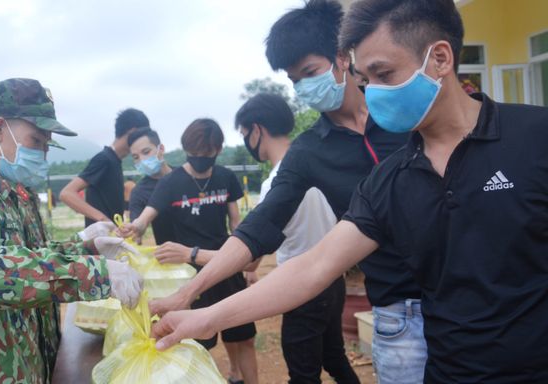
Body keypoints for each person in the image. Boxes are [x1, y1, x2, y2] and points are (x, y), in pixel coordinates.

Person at [153, 1, 548, 383]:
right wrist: (200, 307)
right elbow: (301, 258)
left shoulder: (524, 138)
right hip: (415, 327)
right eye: (368, 79)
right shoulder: (382, 176)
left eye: (383, 74)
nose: (374, 92)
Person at [150, 1, 423, 382]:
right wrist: (188, 293)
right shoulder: (310, 151)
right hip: (398, 311)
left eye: (309, 72)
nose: (303, 87)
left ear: (343, 58)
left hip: (465, 294)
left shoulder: (404, 112)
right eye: (294, 80)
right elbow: (259, 227)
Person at [0, 78, 143, 383]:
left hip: (24, 363)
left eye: (46, 145)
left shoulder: (9, 190)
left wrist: (85, 248)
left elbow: (27, 257)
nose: (43, 154)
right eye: (35, 141)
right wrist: (93, 272)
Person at [124, 119, 259, 384]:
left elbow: (236, 223)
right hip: (190, 277)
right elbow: (145, 218)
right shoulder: (170, 183)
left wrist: (248, 267)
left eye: (206, 154)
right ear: (186, 150)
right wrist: (133, 226)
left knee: (243, 337)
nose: (199, 159)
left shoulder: (226, 177)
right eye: (194, 155)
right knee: (196, 345)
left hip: (225, 266)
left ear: (217, 150)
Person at [238, 93, 359, 383]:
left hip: (302, 288)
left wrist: (192, 254)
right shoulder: (317, 165)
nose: (247, 141)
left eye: (245, 134)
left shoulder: (276, 184)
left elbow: (251, 261)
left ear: (257, 130)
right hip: (333, 280)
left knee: (303, 375)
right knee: (334, 357)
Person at [60, 108, 149, 226]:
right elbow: (67, 193)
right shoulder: (104, 159)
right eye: (142, 136)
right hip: (99, 240)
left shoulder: (115, 161)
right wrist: (103, 220)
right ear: (133, 132)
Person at [127, 127, 175, 245]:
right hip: (170, 258)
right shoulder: (139, 192)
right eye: (136, 157)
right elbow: (136, 231)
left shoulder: (185, 176)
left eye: (146, 152)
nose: (142, 160)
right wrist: (130, 233)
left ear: (161, 149)